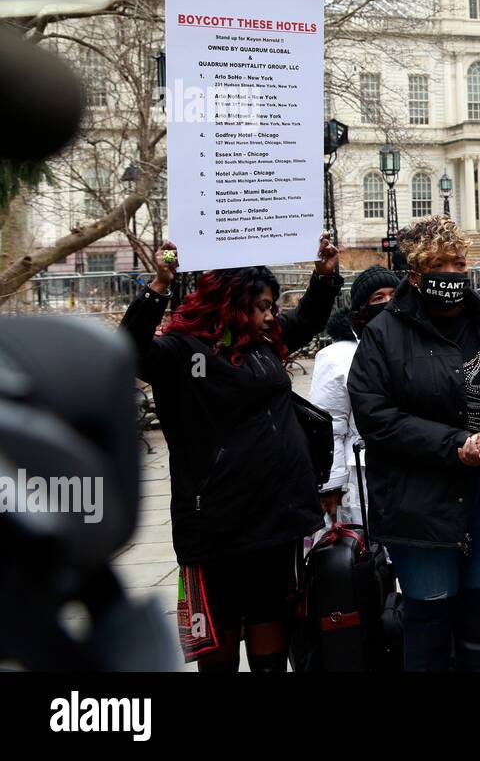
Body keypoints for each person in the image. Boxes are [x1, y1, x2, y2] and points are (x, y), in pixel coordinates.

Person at [119, 233, 343, 671]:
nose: (268, 316)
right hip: (217, 527)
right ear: (230, 303)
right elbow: (128, 352)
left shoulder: (263, 341)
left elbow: (308, 319)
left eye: (271, 306)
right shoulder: (183, 351)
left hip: (277, 519)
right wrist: (158, 286)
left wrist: (324, 277)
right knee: (219, 641)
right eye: (260, 306)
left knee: (269, 624)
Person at [348, 215, 480, 671]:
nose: (454, 275)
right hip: (420, 503)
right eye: (440, 265)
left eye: (459, 263)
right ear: (415, 276)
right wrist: (454, 443)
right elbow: (376, 417)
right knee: (429, 626)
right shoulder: (384, 334)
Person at [309, 265, 400, 525]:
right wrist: (332, 485)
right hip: (358, 479)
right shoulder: (337, 357)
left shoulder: (414, 344)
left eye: (393, 295)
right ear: (362, 308)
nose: (387, 303)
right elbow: (328, 426)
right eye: (377, 298)